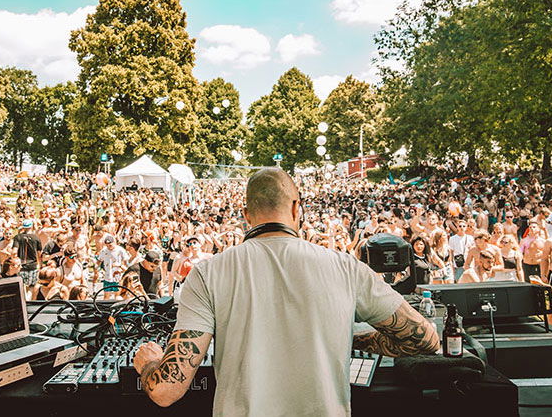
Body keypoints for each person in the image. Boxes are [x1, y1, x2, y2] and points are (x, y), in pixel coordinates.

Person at [133, 167, 438, 414]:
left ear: (246, 214)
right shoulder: (344, 267)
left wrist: (147, 362)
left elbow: (165, 391)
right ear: (296, 208)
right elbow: (425, 338)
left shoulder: (207, 273)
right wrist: (351, 339)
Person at [13, 219, 42, 296]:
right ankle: (28, 300)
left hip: (21, 266)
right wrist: (40, 265)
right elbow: (39, 254)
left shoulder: (17, 237)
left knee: (22, 286)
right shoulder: (36, 238)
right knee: (31, 286)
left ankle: (24, 300)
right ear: (31, 226)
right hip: (33, 266)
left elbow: (14, 252)